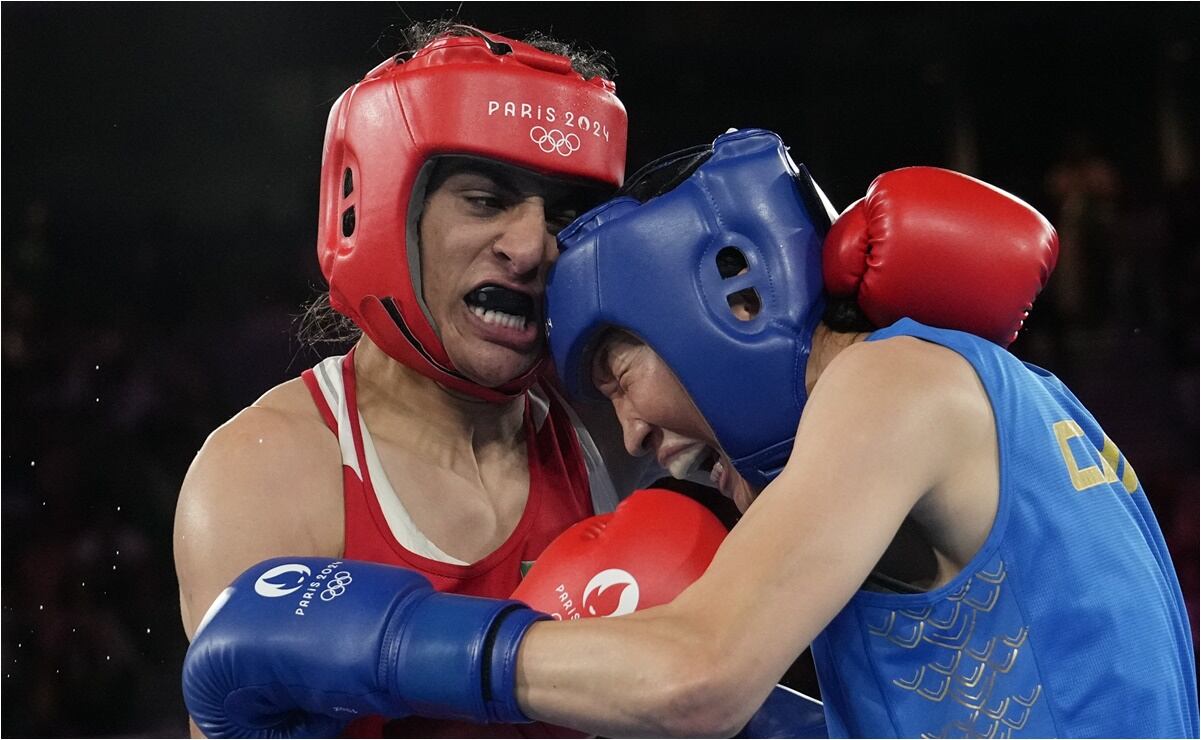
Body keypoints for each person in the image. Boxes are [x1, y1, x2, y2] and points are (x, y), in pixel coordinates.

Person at [181, 128, 1198, 738]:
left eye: (619, 370)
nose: (627, 426)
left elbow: (698, 673)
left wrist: (392, 639)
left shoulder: (897, 388)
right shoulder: (967, 391)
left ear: (728, 301)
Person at [172, 22, 640, 738]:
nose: (531, 247)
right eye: (485, 200)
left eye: (566, 214)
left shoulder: (618, 426)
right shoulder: (268, 472)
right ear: (388, 210)